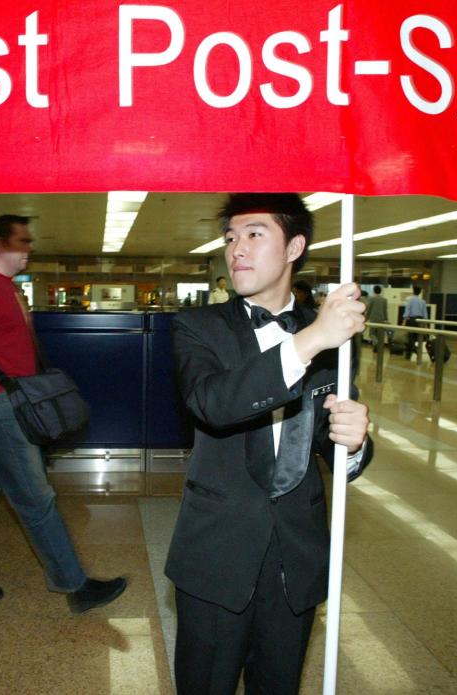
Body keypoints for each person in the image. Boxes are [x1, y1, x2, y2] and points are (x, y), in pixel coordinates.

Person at [166, 193, 374, 695]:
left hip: (295, 559)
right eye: (231, 237)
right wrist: (308, 342)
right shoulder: (199, 327)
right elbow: (212, 404)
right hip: (217, 554)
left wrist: (356, 442)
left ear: (294, 246)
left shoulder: (334, 338)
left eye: (255, 234)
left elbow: (331, 441)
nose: (237, 248)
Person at [0, 214, 126, 614]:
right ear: (1, 244)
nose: (28, 248)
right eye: (22, 241)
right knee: (35, 496)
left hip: (7, 403)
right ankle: (75, 585)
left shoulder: (7, 289)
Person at [402, 286, 427, 359]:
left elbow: (407, 311)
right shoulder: (423, 301)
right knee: (417, 337)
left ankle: (413, 351)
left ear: (413, 291)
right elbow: (425, 314)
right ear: (419, 292)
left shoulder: (410, 300)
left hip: (412, 320)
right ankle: (412, 351)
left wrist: (404, 321)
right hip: (420, 320)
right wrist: (425, 324)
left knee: (410, 337)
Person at [365, 285, 389, 352]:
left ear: (374, 291)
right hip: (381, 318)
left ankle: (375, 343)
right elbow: (385, 310)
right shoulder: (384, 300)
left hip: (373, 318)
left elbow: (369, 309)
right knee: (379, 334)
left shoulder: (371, 299)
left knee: (371, 333)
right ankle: (377, 348)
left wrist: (366, 318)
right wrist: (386, 319)